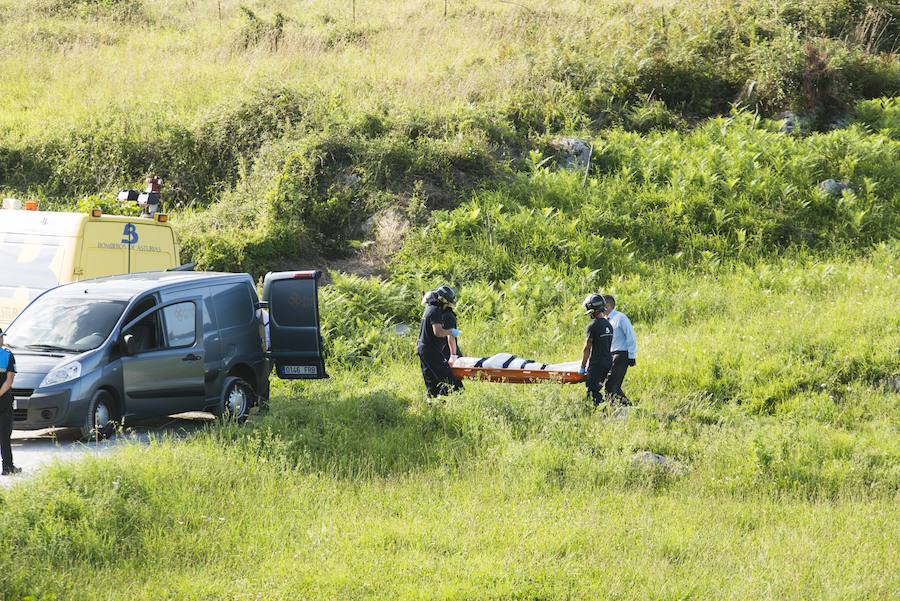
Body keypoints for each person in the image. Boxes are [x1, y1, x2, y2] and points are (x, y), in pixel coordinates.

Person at [416, 285, 463, 399]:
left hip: (423, 348)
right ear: (443, 301)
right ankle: (448, 403)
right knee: (449, 380)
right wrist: (451, 331)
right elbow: (438, 332)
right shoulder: (436, 311)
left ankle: (433, 408)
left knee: (432, 382)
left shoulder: (429, 308)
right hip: (431, 350)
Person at [579, 294, 613, 406]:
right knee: (597, 389)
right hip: (608, 363)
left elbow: (587, 348)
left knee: (592, 391)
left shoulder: (593, 326)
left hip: (597, 364)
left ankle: (602, 413)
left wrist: (583, 367)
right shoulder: (608, 325)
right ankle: (603, 411)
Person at [604, 294, 637, 405]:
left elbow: (631, 336)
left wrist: (632, 356)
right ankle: (618, 409)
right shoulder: (605, 320)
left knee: (611, 385)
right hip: (611, 355)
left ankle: (627, 407)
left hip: (621, 355)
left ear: (608, 306)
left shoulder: (620, 318)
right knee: (611, 386)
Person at [0, 328, 21, 475]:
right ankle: (7, 467)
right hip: (3, 401)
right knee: (4, 434)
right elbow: (9, 381)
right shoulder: (7, 355)